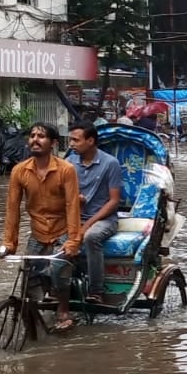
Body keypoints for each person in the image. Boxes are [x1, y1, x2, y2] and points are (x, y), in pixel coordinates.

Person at [2, 121, 83, 331]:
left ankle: (63, 309)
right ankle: (32, 313)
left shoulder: (66, 169)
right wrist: (9, 243)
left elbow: (72, 205)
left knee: (59, 269)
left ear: (53, 143)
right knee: (27, 273)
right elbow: (12, 209)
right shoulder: (19, 171)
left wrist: (74, 240)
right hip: (38, 231)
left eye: (41, 136)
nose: (35, 140)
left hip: (62, 229)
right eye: (32, 136)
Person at [67, 120, 125, 289]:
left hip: (104, 219)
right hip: (75, 216)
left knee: (91, 237)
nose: (71, 144)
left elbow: (114, 201)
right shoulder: (69, 163)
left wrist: (87, 225)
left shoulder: (110, 163)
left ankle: (96, 289)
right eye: (70, 140)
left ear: (90, 141)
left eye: (76, 140)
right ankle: (59, 288)